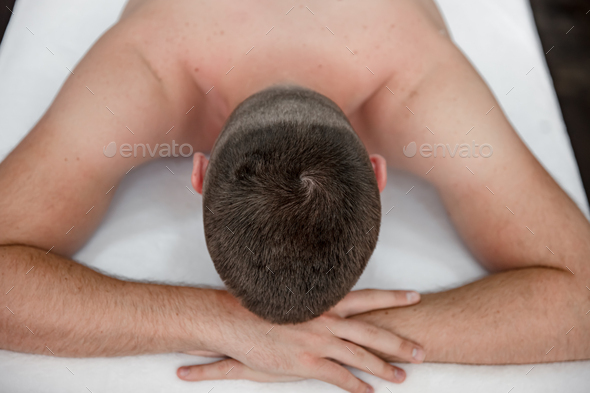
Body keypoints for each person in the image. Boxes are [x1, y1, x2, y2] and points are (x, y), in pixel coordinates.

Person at [1, 1, 589, 393]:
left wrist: (303, 335)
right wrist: (229, 324)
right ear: (378, 172)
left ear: (198, 174)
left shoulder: (416, 78)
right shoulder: (149, 67)